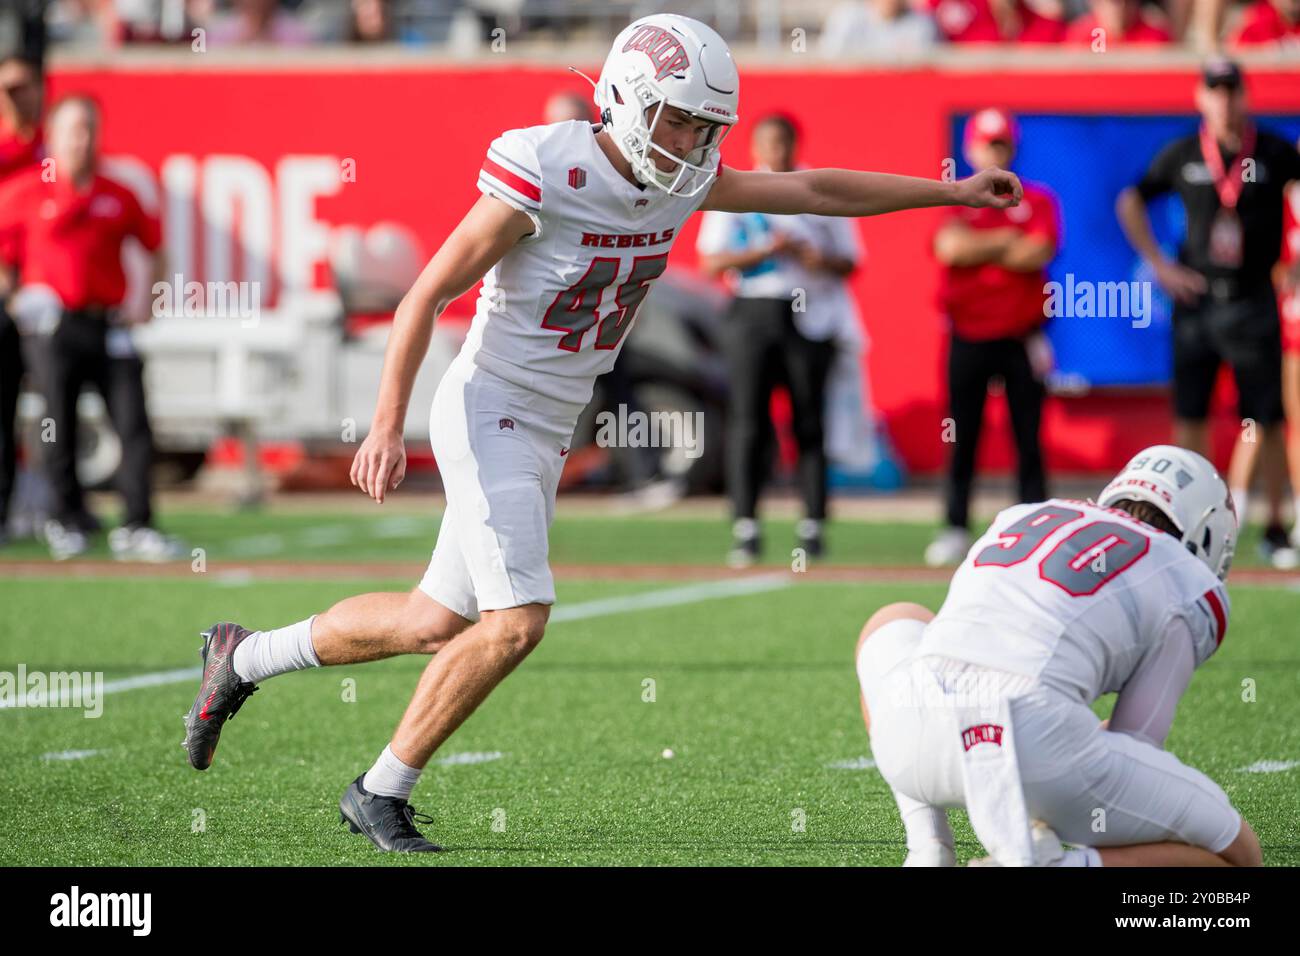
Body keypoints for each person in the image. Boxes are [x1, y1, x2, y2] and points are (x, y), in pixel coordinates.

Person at [180, 13, 1024, 853]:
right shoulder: (546, 167)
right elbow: (423, 296)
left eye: (704, 125)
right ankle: (379, 789)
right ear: (625, 98)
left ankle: (243, 656)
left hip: (548, 422)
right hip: (491, 405)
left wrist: (948, 191)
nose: (691, 140)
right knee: (517, 622)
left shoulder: (684, 176)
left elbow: (813, 191)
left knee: (430, 620)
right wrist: (386, 425)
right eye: (678, 118)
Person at [856, 444, 1260, 867]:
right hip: (1032, 745)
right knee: (1239, 855)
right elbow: (1136, 740)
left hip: (908, 730)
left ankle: (929, 848)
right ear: (1207, 531)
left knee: (894, 618)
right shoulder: (1188, 577)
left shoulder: (1025, 514)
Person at [1117, 58, 1300, 567]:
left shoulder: (1272, 151)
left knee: (1266, 418)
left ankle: (1276, 527)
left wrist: (1290, 263)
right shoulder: (1181, 154)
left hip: (1253, 301)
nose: (1224, 100)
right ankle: (1182, 528)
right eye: (1215, 91)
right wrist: (1159, 265)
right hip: (1197, 302)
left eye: (1232, 90)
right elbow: (1131, 200)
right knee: (1190, 417)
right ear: (1201, 97)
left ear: (1245, 95)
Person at [0, 95, 180, 561]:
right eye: (73, 130)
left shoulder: (116, 195)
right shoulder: (25, 193)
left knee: (133, 423)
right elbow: (5, 258)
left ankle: (137, 525)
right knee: (56, 425)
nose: (82, 139)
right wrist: (15, 296)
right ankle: (66, 520)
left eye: (89, 129)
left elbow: (155, 245)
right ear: (54, 137)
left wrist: (149, 301)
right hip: (52, 328)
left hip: (107, 324)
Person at [697, 113, 862, 565]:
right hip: (753, 310)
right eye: (768, 142)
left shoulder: (817, 187)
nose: (777, 151)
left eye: (784, 142)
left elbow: (850, 261)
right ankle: (746, 526)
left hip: (809, 310)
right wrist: (766, 251)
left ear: (795, 143)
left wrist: (814, 257)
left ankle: (813, 523)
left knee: (809, 421)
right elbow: (712, 262)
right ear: (755, 147)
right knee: (749, 420)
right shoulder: (739, 190)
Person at [926, 108, 1059, 567]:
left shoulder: (1037, 199)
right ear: (971, 148)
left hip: (1021, 335)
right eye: (987, 144)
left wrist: (983, 248)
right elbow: (949, 247)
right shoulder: (956, 197)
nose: (994, 152)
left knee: (1028, 437)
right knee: (963, 436)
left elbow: (1036, 251)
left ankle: (1038, 526)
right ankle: (955, 526)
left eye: (1001, 144)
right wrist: (1006, 243)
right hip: (968, 334)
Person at [0, 54, 42, 547]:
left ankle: (49, 508)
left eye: (24, 87)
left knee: (54, 410)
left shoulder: (49, 147)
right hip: (9, 297)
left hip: (47, 300)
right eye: (8, 89)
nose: (18, 98)